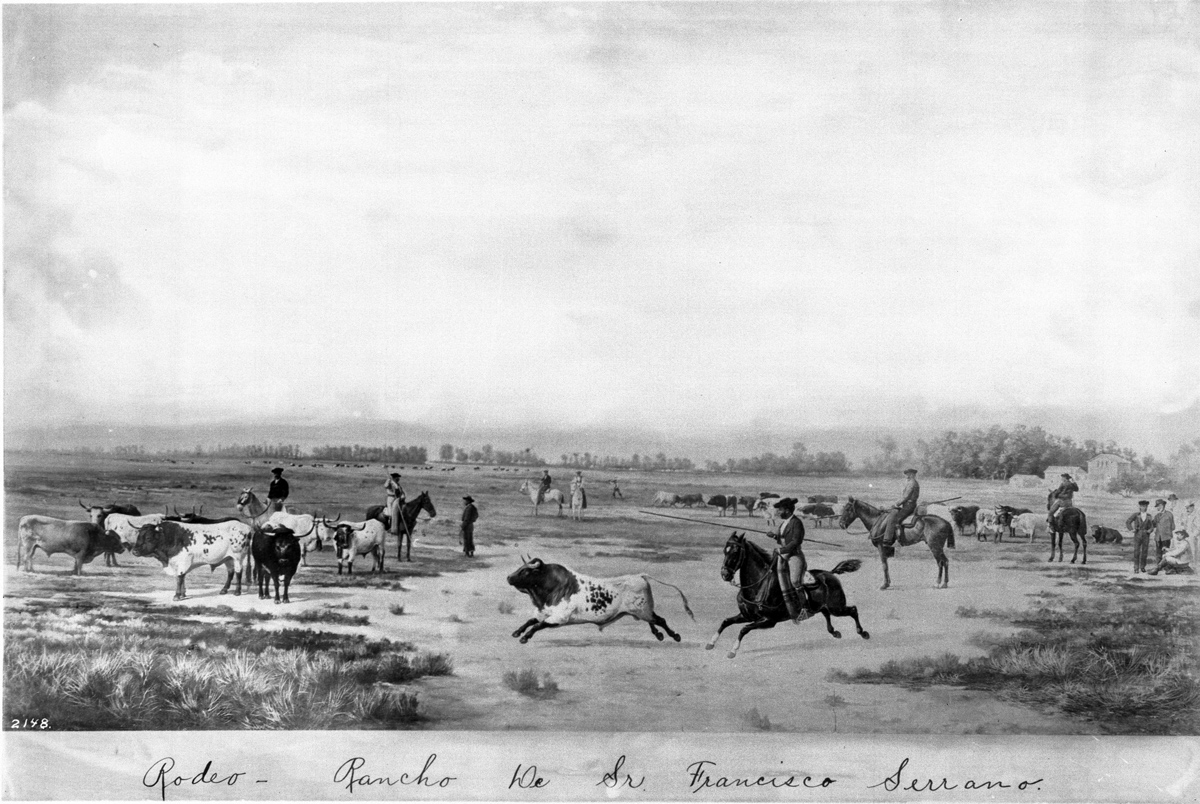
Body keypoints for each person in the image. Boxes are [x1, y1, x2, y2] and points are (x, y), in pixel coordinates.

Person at [770, 498, 812, 622]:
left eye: (780, 510)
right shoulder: (783, 523)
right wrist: (774, 536)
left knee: (794, 581)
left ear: (787, 511)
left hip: (794, 555)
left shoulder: (796, 523)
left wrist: (781, 551)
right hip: (783, 554)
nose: (778, 512)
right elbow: (782, 539)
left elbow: (795, 542)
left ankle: (805, 608)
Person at [881, 468, 920, 548]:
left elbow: (906, 497)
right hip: (907, 505)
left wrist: (896, 504)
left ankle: (894, 540)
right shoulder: (911, 482)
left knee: (895, 519)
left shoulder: (912, 483)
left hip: (909, 506)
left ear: (912, 474)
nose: (907, 476)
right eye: (907, 474)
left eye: (908, 474)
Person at [1126, 500, 1156, 573]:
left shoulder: (1149, 516)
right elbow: (1128, 522)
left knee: (1144, 551)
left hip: (1146, 535)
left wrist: (1150, 530)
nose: (1144, 508)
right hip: (1138, 534)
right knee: (1136, 551)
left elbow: (1152, 526)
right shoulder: (1136, 515)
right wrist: (1131, 529)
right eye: (1142, 506)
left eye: (1145, 506)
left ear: (1147, 507)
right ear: (1139, 507)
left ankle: (1142, 567)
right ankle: (1136, 568)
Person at [1153, 499, 1175, 564]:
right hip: (1158, 537)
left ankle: (1165, 567)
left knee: (1166, 553)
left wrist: (1165, 531)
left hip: (1166, 537)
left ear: (1162, 505)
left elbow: (1173, 527)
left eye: (1158, 506)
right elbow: (1153, 524)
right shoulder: (1156, 516)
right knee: (1158, 553)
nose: (1157, 508)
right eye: (1157, 506)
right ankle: (1158, 566)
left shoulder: (1169, 514)